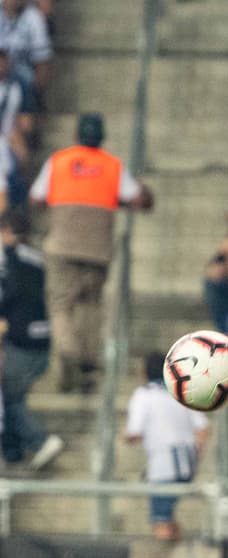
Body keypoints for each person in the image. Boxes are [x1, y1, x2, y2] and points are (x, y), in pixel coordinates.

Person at [27, 112, 153, 392]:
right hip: (98, 247)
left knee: (61, 304)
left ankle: (69, 353)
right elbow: (139, 199)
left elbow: (36, 197)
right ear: (102, 138)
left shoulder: (58, 161)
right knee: (91, 304)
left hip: (62, 244)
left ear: (76, 136)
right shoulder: (113, 165)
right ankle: (87, 362)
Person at [123, 353, 210, 541]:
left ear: (145, 372)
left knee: (160, 521)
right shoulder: (181, 392)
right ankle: (180, 554)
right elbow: (203, 429)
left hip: (163, 467)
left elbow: (134, 432)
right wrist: (197, 455)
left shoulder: (143, 395)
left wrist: (125, 435)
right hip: (186, 462)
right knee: (168, 517)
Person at [0, 209, 62, 470]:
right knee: (13, 396)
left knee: (8, 397)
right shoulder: (39, 258)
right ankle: (13, 452)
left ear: (7, 233)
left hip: (23, 342)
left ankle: (40, 441)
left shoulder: (10, 260)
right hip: (42, 339)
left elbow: (7, 296)